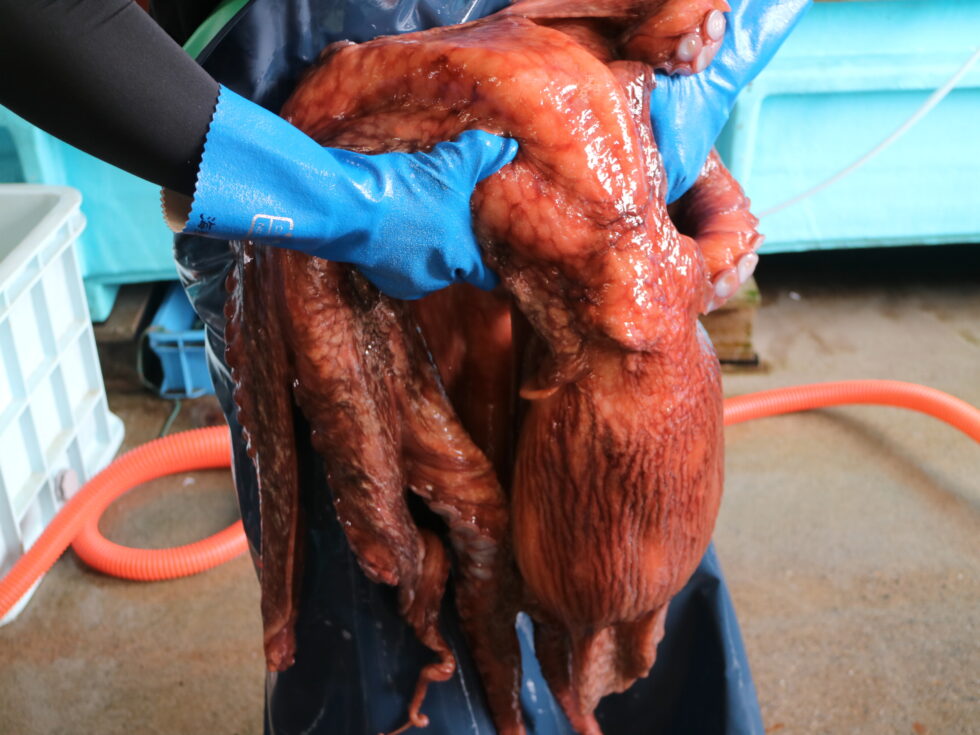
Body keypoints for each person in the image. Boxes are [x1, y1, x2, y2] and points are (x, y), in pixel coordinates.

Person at [0, 1, 810, 732]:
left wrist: (728, 42)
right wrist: (324, 201)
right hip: (303, 195)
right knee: (384, 596)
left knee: (622, 535)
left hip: (601, 166)